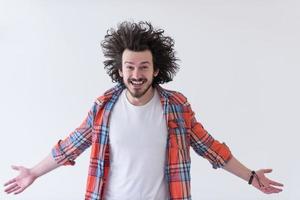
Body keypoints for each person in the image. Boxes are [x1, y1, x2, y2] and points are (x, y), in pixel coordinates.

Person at [4, 21, 283, 200]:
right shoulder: (104, 107)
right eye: (130, 67)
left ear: (156, 70)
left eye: (144, 67)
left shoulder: (176, 107)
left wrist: (250, 176)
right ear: (120, 70)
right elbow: (70, 146)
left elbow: (210, 148)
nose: (136, 74)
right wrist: (33, 173)